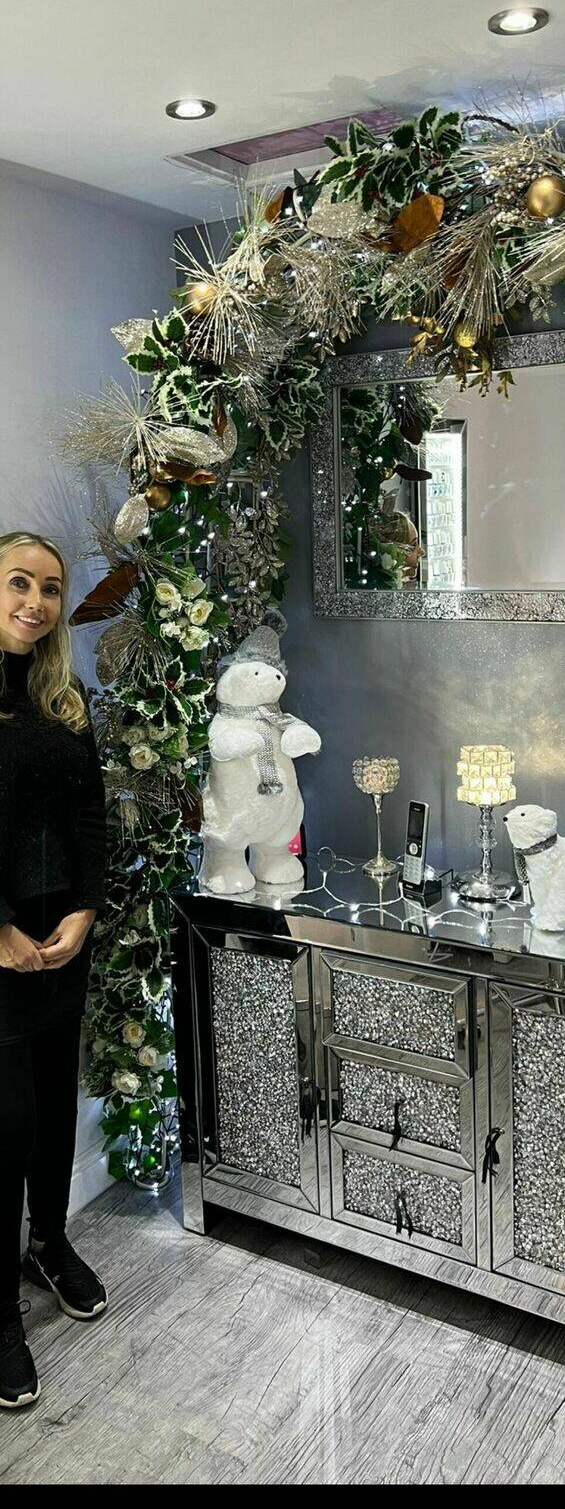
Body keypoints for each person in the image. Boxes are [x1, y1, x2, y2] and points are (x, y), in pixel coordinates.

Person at [0, 532, 108, 1410]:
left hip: (61, 939)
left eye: (49, 588)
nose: (35, 602)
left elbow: (91, 820)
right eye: (17, 583)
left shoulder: (65, 702)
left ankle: (49, 1242)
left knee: (54, 1105)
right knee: (8, 1123)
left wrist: (85, 909)